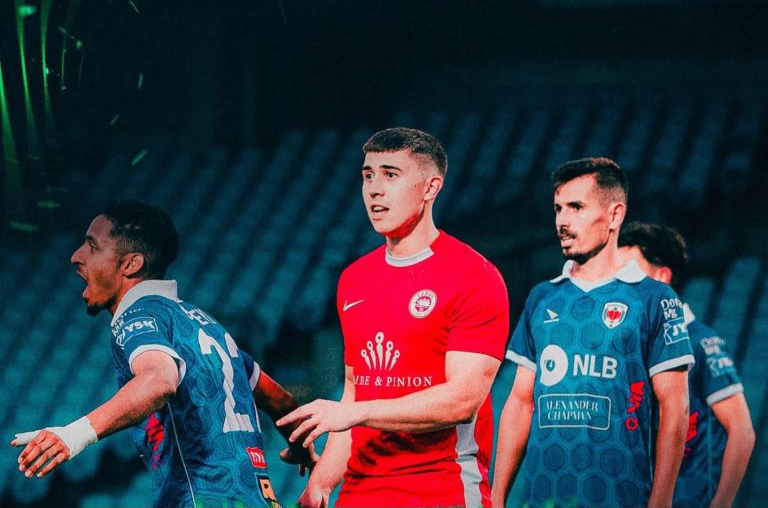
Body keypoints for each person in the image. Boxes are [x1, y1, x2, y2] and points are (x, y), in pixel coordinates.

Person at [11, 199, 316, 508]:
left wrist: (74, 435)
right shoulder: (207, 326)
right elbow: (280, 400)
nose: (76, 256)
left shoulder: (137, 315)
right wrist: (300, 447)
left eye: (92, 247)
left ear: (130, 265)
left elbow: (159, 379)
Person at [276, 127, 510, 507]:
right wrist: (319, 485)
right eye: (368, 176)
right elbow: (356, 391)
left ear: (431, 187)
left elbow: (463, 400)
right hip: (360, 494)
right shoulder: (354, 279)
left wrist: (355, 413)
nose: (374, 189)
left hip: (440, 489)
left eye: (390, 175)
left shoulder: (474, 276)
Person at [492, 158, 694, 508]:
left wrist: (661, 500)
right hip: (543, 497)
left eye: (576, 207)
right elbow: (521, 402)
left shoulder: (654, 298)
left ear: (615, 215)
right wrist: (496, 497)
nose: (562, 221)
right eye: (558, 209)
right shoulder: (542, 296)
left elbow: (674, 407)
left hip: (621, 497)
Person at [618, 221, 755, 508]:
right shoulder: (626, 345)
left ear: (662, 277)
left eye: (628, 271)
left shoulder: (701, 342)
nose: (618, 282)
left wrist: (721, 503)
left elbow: (742, 431)